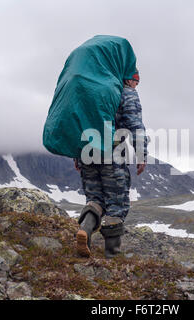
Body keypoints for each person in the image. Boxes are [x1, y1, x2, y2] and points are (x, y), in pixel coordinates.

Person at [74, 71, 148, 258]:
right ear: (130, 80)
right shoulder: (125, 92)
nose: (135, 87)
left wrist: (76, 155)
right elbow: (134, 123)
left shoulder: (92, 88)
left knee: (95, 198)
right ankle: (112, 255)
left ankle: (85, 230)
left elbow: (77, 121)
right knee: (116, 201)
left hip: (86, 150)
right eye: (136, 83)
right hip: (112, 153)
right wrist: (141, 153)